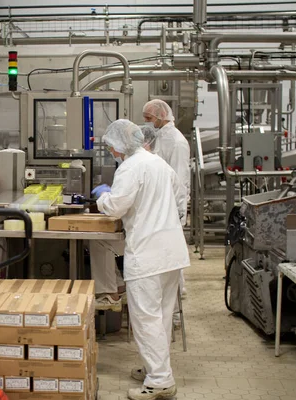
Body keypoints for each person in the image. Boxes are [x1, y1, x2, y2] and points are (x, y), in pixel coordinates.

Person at [91, 120, 190, 400]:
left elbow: (115, 208)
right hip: (171, 252)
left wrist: (102, 197)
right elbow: (173, 194)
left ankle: (159, 381)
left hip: (148, 254)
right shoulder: (158, 163)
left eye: (111, 147)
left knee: (146, 318)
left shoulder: (130, 167)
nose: (112, 152)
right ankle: (155, 367)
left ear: (120, 145)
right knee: (162, 315)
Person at [143, 99, 190, 304]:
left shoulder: (177, 142)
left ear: (161, 116)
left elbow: (180, 179)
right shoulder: (160, 137)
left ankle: (177, 301)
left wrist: (179, 210)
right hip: (160, 205)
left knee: (172, 256)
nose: (146, 122)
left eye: (149, 118)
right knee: (164, 255)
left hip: (170, 206)